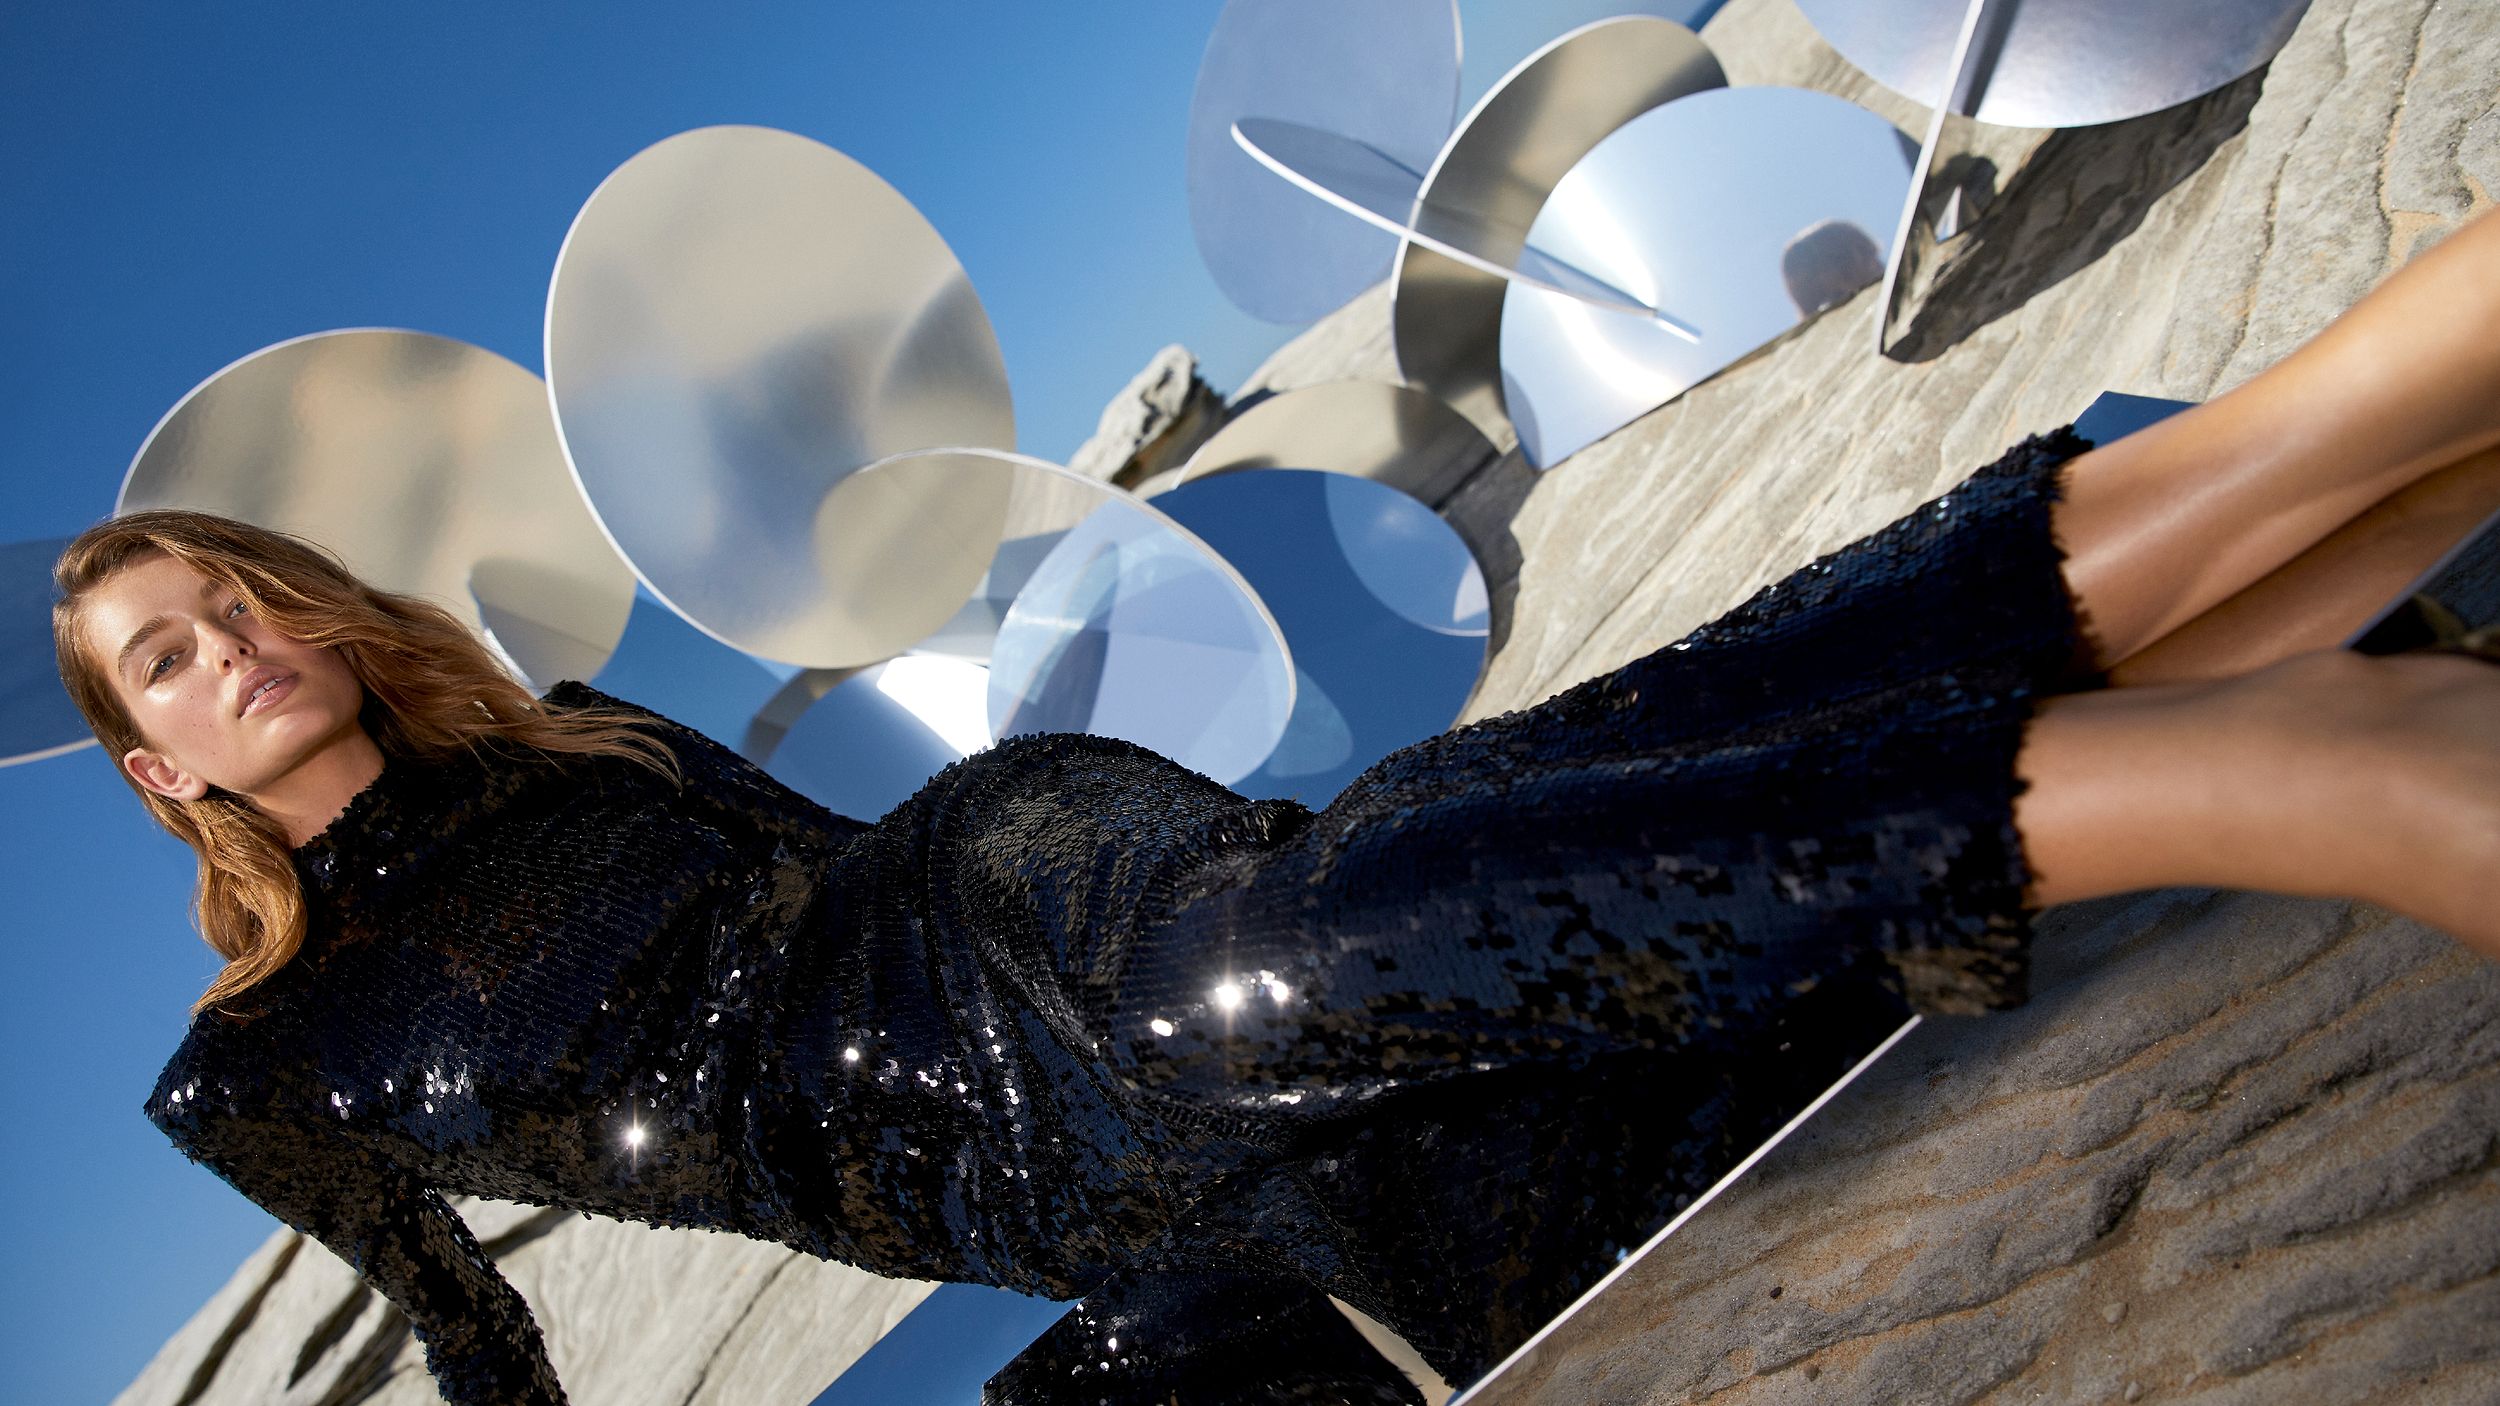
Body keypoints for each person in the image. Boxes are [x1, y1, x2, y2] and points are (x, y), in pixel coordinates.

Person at [58, 208, 2500, 1406]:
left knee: (1256, 967)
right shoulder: (251, 1076)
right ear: (162, 772)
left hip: (1010, 903)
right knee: (1502, 983)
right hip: (1006, 1166)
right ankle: (2291, 478)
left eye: (244, 594)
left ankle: (2286, 781)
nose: (239, 642)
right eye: (171, 656)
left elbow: (826, 899)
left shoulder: (577, 730)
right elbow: (479, 1350)